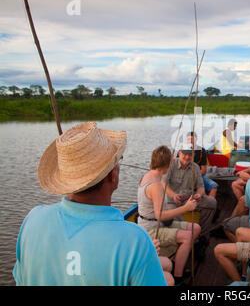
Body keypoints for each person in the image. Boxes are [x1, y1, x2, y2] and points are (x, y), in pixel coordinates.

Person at [13, 122, 166, 286]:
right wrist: (148, 258)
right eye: (118, 160)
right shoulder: (136, 242)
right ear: (112, 176)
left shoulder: (33, 219)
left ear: (66, 179)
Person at [137, 145, 201, 286]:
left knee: (195, 228)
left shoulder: (152, 176)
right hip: (152, 228)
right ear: (166, 164)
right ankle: (178, 278)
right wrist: (186, 208)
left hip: (158, 222)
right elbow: (161, 216)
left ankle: (175, 259)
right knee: (187, 236)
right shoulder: (155, 185)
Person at [163, 143, 217, 238]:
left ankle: (202, 234)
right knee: (176, 219)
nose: (187, 157)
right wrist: (173, 195)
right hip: (173, 202)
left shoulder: (196, 167)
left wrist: (199, 195)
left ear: (193, 155)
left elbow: (200, 187)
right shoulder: (171, 165)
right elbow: (164, 184)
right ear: (179, 153)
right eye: (185, 154)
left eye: (190, 154)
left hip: (189, 199)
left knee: (212, 202)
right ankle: (188, 236)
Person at [186, 131, 218, 198]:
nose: (190, 141)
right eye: (188, 139)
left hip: (199, 175)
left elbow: (203, 171)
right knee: (201, 191)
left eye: (192, 139)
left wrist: (194, 175)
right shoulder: (183, 150)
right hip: (186, 176)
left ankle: (210, 205)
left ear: (196, 139)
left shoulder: (201, 151)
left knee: (214, 186)